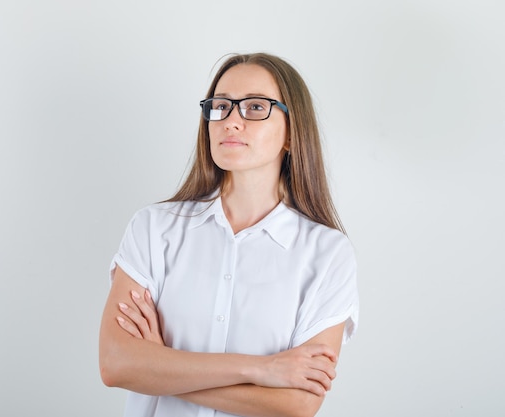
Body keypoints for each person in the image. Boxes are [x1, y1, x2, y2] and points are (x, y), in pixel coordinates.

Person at [99, 52, 359, 417]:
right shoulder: (154, 228)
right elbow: (116, 365)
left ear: (291, 133)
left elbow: (298, 404)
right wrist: (262, 370)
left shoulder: (327, 254)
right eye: (220, 106)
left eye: (255, 107)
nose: (231, 121)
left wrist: (161, 368)